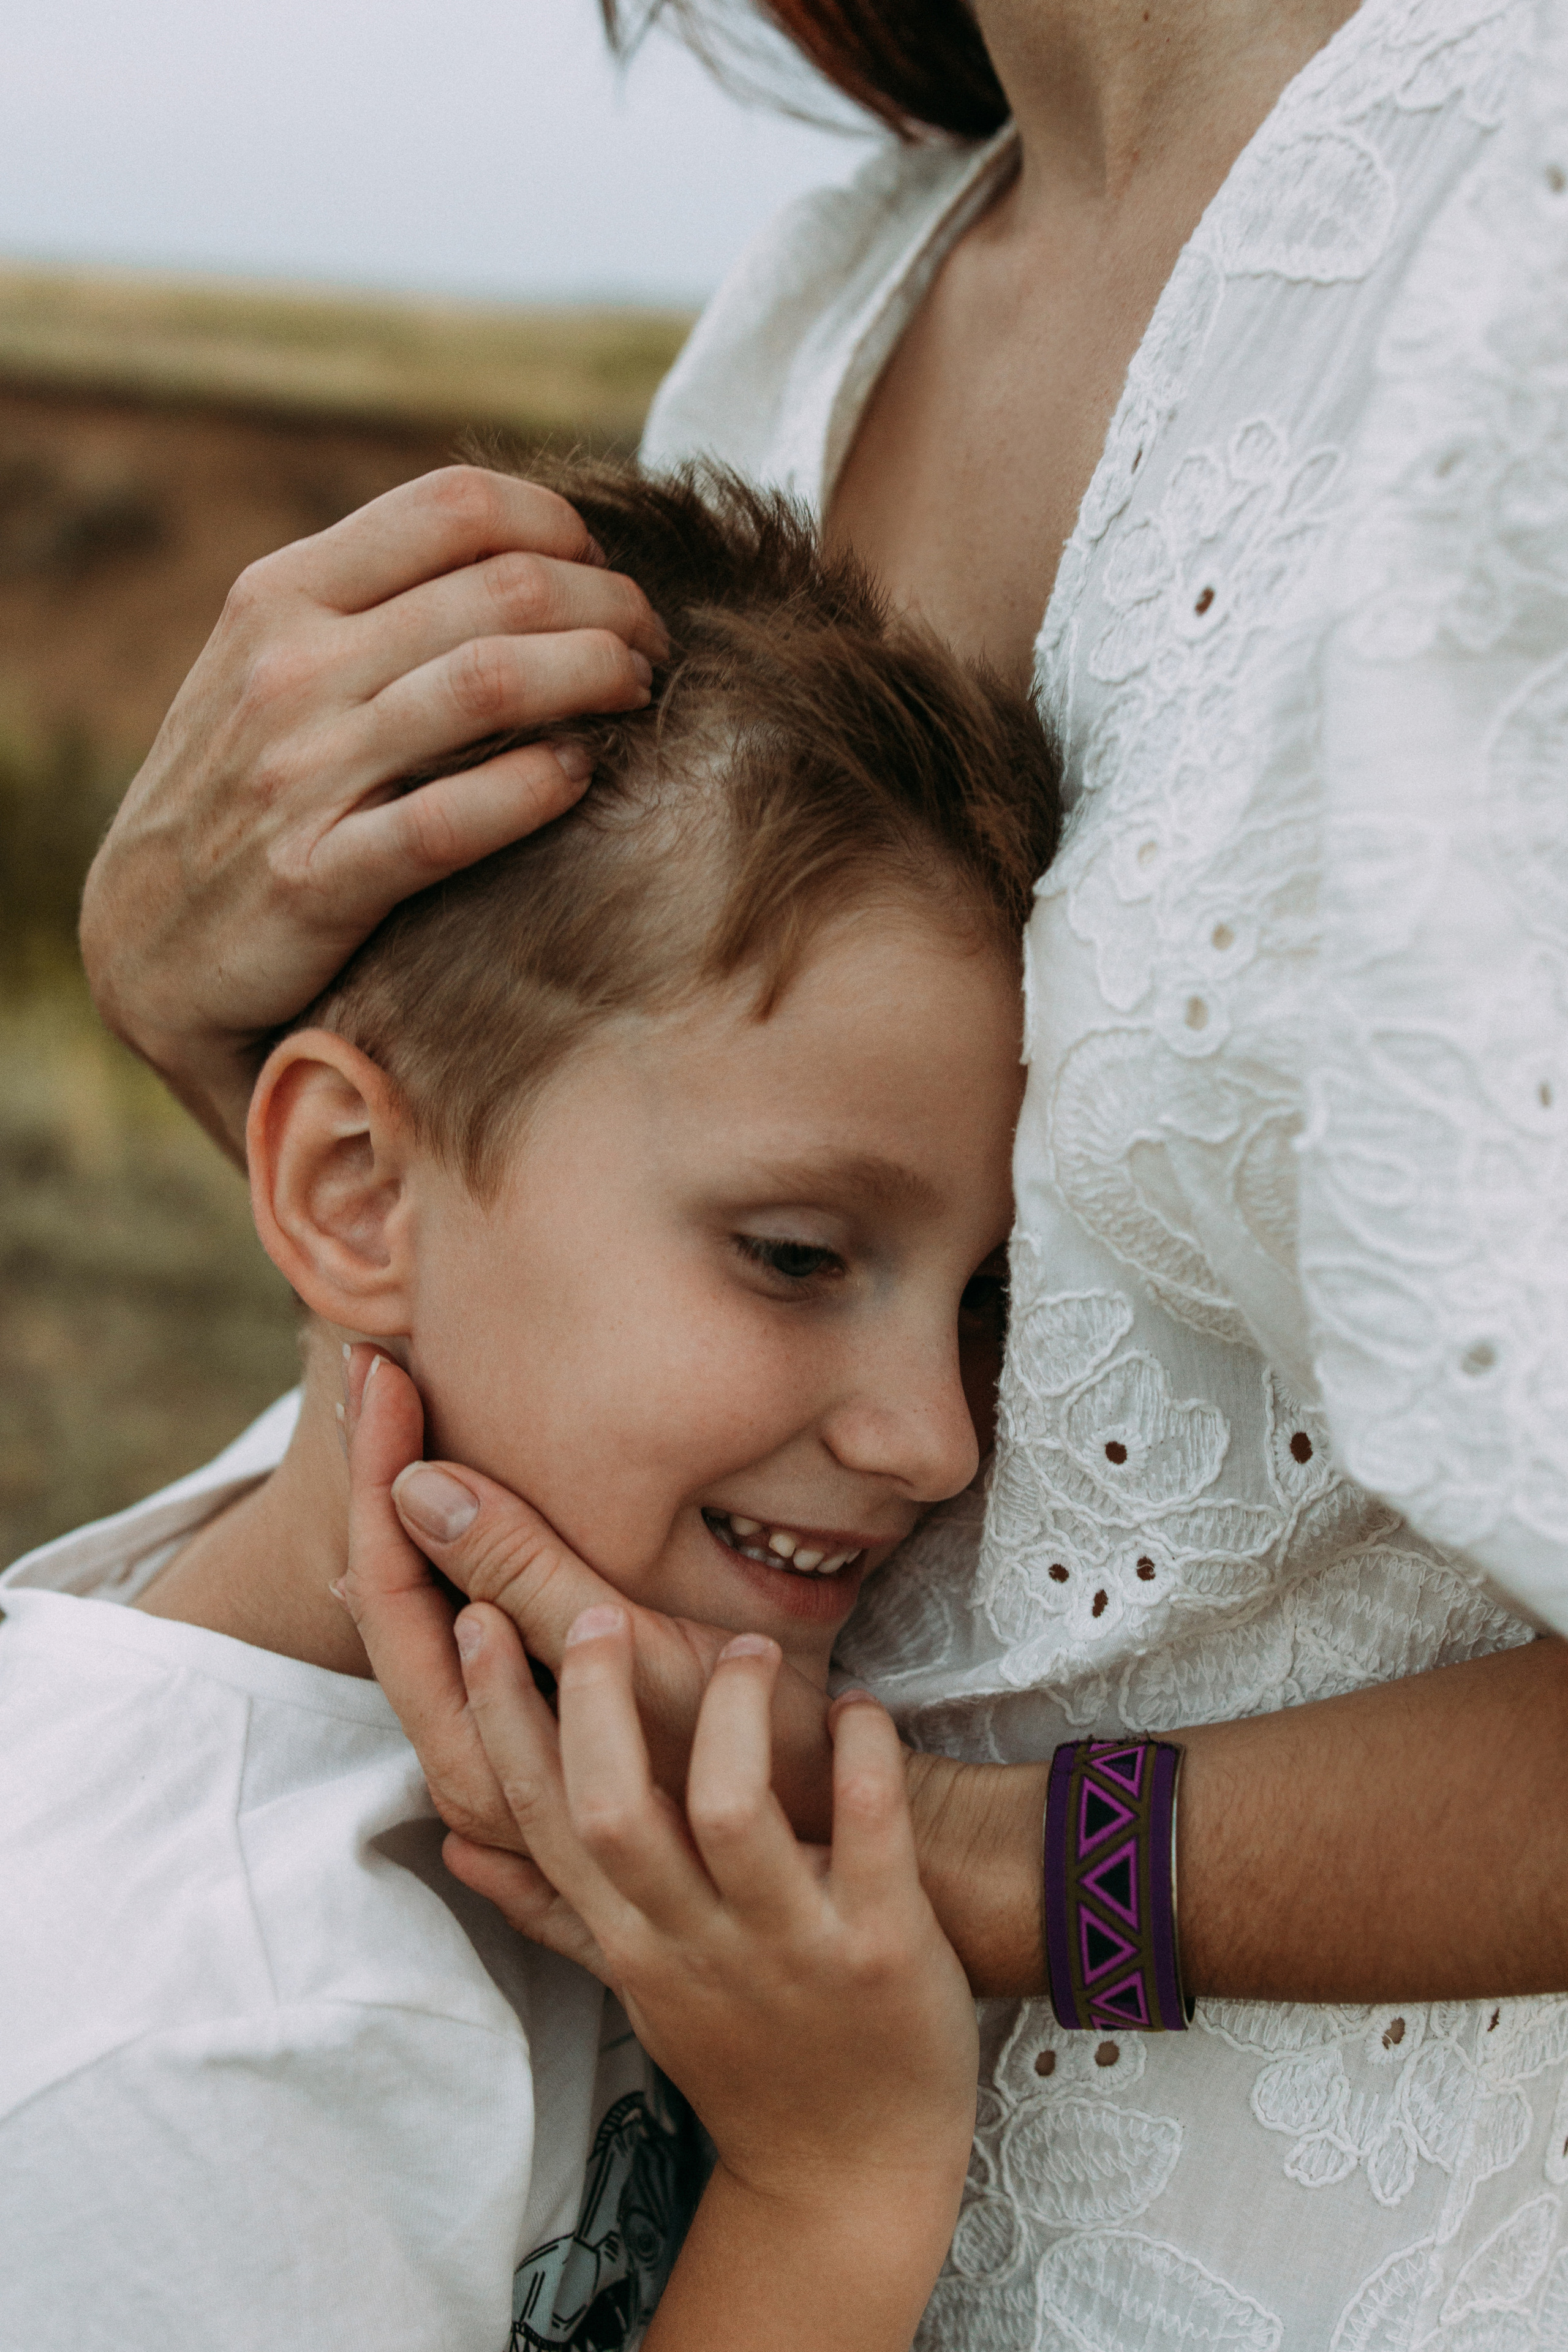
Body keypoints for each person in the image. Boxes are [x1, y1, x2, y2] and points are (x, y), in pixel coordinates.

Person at [75, 0, 1568, 2345]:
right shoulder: (818, 314)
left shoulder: (1526, 212)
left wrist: (944, 1871)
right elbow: (556, 1209)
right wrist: (203, 1016)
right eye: (808, 1268)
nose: (941, 1430)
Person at [0, 462, 1060, 2352]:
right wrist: (835, 2179)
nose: (939, 1437)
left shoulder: (491, 1616)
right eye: (800, 1255)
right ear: (346, 1191)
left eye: (988, 1298)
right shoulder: (178, 2051)